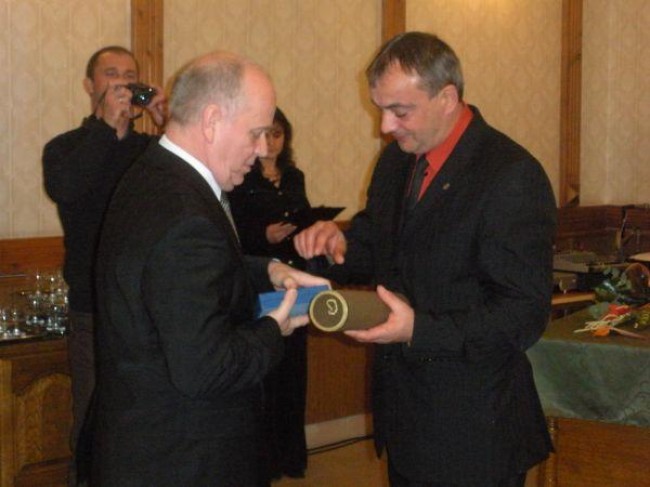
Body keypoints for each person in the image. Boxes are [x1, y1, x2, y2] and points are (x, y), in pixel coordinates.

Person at [294, 32, 556, 487]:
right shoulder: (397, 161)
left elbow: (522, 314)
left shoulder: (510, 175)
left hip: (474, 428)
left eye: (400, 111)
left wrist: (418, 329)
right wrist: (336, 245)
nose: (385, 127)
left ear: (447, 98)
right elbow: (379, 247)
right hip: (406, 416)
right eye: (380, 109)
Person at [91, 50, 329, 487]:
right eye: (256, 133)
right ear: (213, 120)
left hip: (149, 445)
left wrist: (268, 271)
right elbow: (207, 369)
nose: (262, 150)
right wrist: (273, 329)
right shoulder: (185, 213)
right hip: (186, 459)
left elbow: (177, 274)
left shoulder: (155, 174)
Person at [42, 45, 166, 486]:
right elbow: (67, 189)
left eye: (130, 76)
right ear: (89, 86)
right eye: (111, 75)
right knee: (93, 417)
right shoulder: (65, 148)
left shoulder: (153, 150)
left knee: (146, 417)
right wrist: (104, 128)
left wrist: (170, 123)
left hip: (147, 308)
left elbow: (199, 185)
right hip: (92, 309)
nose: (122, 84)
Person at [229, 107, 311, 479]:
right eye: (267, 134)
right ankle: (266, 461)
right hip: (260, 278)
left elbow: (303, 216)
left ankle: (291, 457)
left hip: (295, 273)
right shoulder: (242, 176)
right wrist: (265, 235)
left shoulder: (294, 176)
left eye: (279, 134)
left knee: (294, 370)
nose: (272, 142)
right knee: (266, 370)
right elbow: (236, 234)